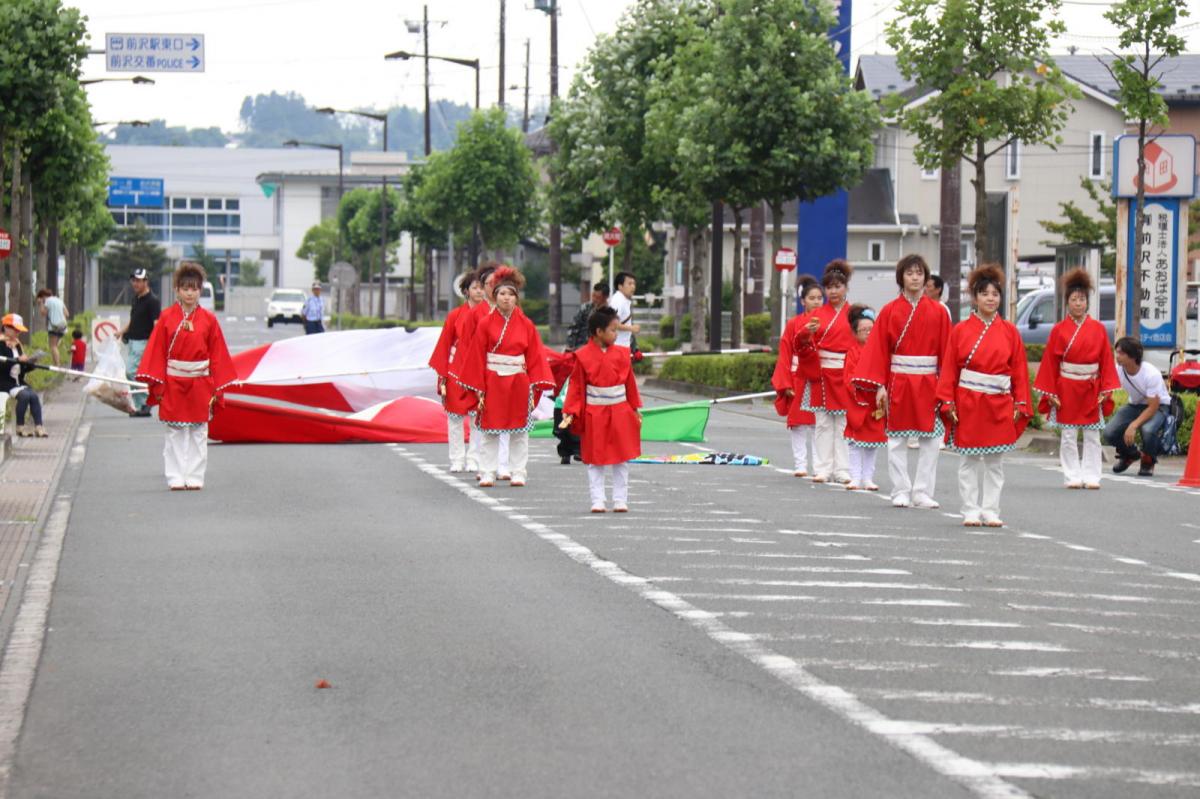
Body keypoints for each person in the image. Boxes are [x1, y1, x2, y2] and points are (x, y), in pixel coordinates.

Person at [853, 254, 952, 509]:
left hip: (929, 380)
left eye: (920, 273)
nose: (915, 278)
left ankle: (922, 491)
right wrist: (880, 385)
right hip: (898, 380)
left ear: (926, 277)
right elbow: (879, 351)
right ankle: (900, 489)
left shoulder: (939, 312)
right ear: (901, 277)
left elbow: (948, 353)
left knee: (930, 440)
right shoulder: (889, 311)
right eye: (910, 273)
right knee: (896, 438)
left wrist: (947, 386)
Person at [937, 264, 1032, 527]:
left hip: (999, 401)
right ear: (975, 297)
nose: (991, 298)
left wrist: (1020, 401)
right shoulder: (960, 330)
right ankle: (969, 508)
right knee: (969, 459)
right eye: (985, 293)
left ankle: (991, 509)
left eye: (995, 294)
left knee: (994, 461)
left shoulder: (1010, 331)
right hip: (969, 401)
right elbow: (949, 369)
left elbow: (1020, 371)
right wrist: (947, 400)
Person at [136, 262, 238, 491]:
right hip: (174, 381)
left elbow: (217, 353)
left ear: (200, 290)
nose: (190, 293)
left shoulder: (210, 320)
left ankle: (194, 476)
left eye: (194, 288)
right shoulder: (166, 317)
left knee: (199, 432)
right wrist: (158, 383)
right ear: (177, 290)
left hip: (200, 381)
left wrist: (216, 384)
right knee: (175, 432)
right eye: (185, 288)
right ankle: (175, 476)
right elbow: (157, 351)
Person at [452, 266, 553, 488]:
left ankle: (519, 471)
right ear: (494, 296)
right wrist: (478, 384)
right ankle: (487, 470)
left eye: (510, 294)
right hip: (492, 381)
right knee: (489, 429)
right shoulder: (486, 323)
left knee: (519, 432)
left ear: (517, 298)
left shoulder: (526, 325)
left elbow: (535, 355)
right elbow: (476, 355)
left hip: (518, 381)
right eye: (502, 294)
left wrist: (537, 381)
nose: (506, 299)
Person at [1034, 268, 1119, 489]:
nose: (1078, 303)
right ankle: (1072, 475)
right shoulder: (1058, 330)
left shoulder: (1098, 329)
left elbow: (1107, 361)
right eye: (1074, 299)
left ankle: (1092, 476)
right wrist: (1050, 392)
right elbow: (1050, 363)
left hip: (1091, 386)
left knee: (1092, 434)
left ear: (1087, 302)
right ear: (1067, 302)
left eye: (1082, 299)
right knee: (1069, 434)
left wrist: (1106, 388)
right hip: (1067, 386)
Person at [562, 306, 642, 513]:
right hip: (595, 411)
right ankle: (597, 499)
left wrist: (635, 408)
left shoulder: (623, 354)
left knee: (621, 457)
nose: (616, 334)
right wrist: (570, 410)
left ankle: (620, 499)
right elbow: (576, 386)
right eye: (613, 330)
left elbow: (629, 384)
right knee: (595, 458)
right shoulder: (582, 356)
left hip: (620, 409)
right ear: (599, 332)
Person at [798, 259, 856, 484]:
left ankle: (842, 468)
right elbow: (802, 343)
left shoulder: (854, 313)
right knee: (822, 422)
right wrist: (805, 334)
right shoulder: (817, 314)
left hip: (845, 371)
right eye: (829, 287)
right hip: (821, 373)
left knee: (842, 422)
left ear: (846, 287)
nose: (833, 291)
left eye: (837, 286)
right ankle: (822, 467)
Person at [429, 270, 484, 473]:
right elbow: (444, 344)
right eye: (475, 288)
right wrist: (443, 373)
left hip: (478, 372)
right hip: (455, 371)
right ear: (466, 291)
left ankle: (474, 458)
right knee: (455, 417)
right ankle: (457, 458)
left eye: (481, 287)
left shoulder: (489, 314)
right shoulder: (454, 316)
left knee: (478, 417)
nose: (479, 291)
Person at [772, 279, 823, 477]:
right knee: (798, 423)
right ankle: (800, 464)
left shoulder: (827, 322)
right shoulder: (794, 323)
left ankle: (821, 466)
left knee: (820, 424)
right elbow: (785, 353)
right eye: (812, 298)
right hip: (799, 377)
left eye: (819, 298)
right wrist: (785, 382)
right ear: (803, 301)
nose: (816, 302)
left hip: (820, 377)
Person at [1106, 336, 1172, 477]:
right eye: (1116, 352)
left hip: (1158, 407)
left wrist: (1133, 425)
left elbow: (1152, 407)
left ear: (1133, 355)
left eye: (1121, 353)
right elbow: (1106, 387)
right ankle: (1130, 454)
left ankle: (1148, 460)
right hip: (1135, 405)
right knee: (1109, 432)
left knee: (1147, 430)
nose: (1117, 356)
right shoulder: (1118, 369)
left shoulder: (1150, 373)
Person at [843, 305, 885, 490]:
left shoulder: (880, 352)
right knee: (855, 442)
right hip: (857, 401)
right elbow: (848, 378)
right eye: (864, 330)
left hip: (875, 401)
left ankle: (868, 477)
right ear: (855, 332)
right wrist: (857, 392)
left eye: (871, 329)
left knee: (872, 443)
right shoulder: (852, 352)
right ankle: (855, 476)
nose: (868, 333)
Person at [119, 268, 161, 417]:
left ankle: (144, 403)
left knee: (132, 372)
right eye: (133, 280)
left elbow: (157, 324)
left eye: (138, 281)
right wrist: (122, 331)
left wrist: (155, 344)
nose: (135, 284)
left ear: (146, 281)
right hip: (132, 341)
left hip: (144, 342)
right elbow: (133, 319)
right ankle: (140, 405)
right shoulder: (136, 298)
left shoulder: (153, 301)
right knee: (135, 374)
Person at [0, 314, 47, 437]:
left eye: (19, 330)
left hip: (17, 382)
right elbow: (3, 366)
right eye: (15, 329)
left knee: (33, 396)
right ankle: (20, 427)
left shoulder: (17, 344)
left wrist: (31, 363)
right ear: (5, 327)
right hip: (4, 382)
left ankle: (39, 426)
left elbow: (22, 369)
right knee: (25, 396)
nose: (18, 333)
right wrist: (17, 359)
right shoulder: (1, 344)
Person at [567, 282, 611, 350]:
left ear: (606, 297)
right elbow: (574, 327)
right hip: (582, 347)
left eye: (597, 297)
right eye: (593, 295)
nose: (594, 299)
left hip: (600, 349)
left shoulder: (610, 313)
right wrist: (570, 346)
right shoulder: (585, 308)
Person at [36, 288, 69, 366]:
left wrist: (40, 304)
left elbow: (43, 313)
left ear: (43, 296)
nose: (42, 300)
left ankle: (57, 365)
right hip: (63, 326)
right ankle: (56, 363)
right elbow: (67, 314)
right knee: (55, 346)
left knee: (53, 346)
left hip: (54, 327)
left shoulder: (48, 301)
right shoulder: (59, 300)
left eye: (41, 298)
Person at [608, 271, 640, 350]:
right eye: (629, 284)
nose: (633, 287)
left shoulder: (623, 300)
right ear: (620, 286)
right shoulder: (618, 301)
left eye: (634, 284)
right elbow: (612, 323)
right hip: (617, 347)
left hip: (622, 347)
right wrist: (631, 328)